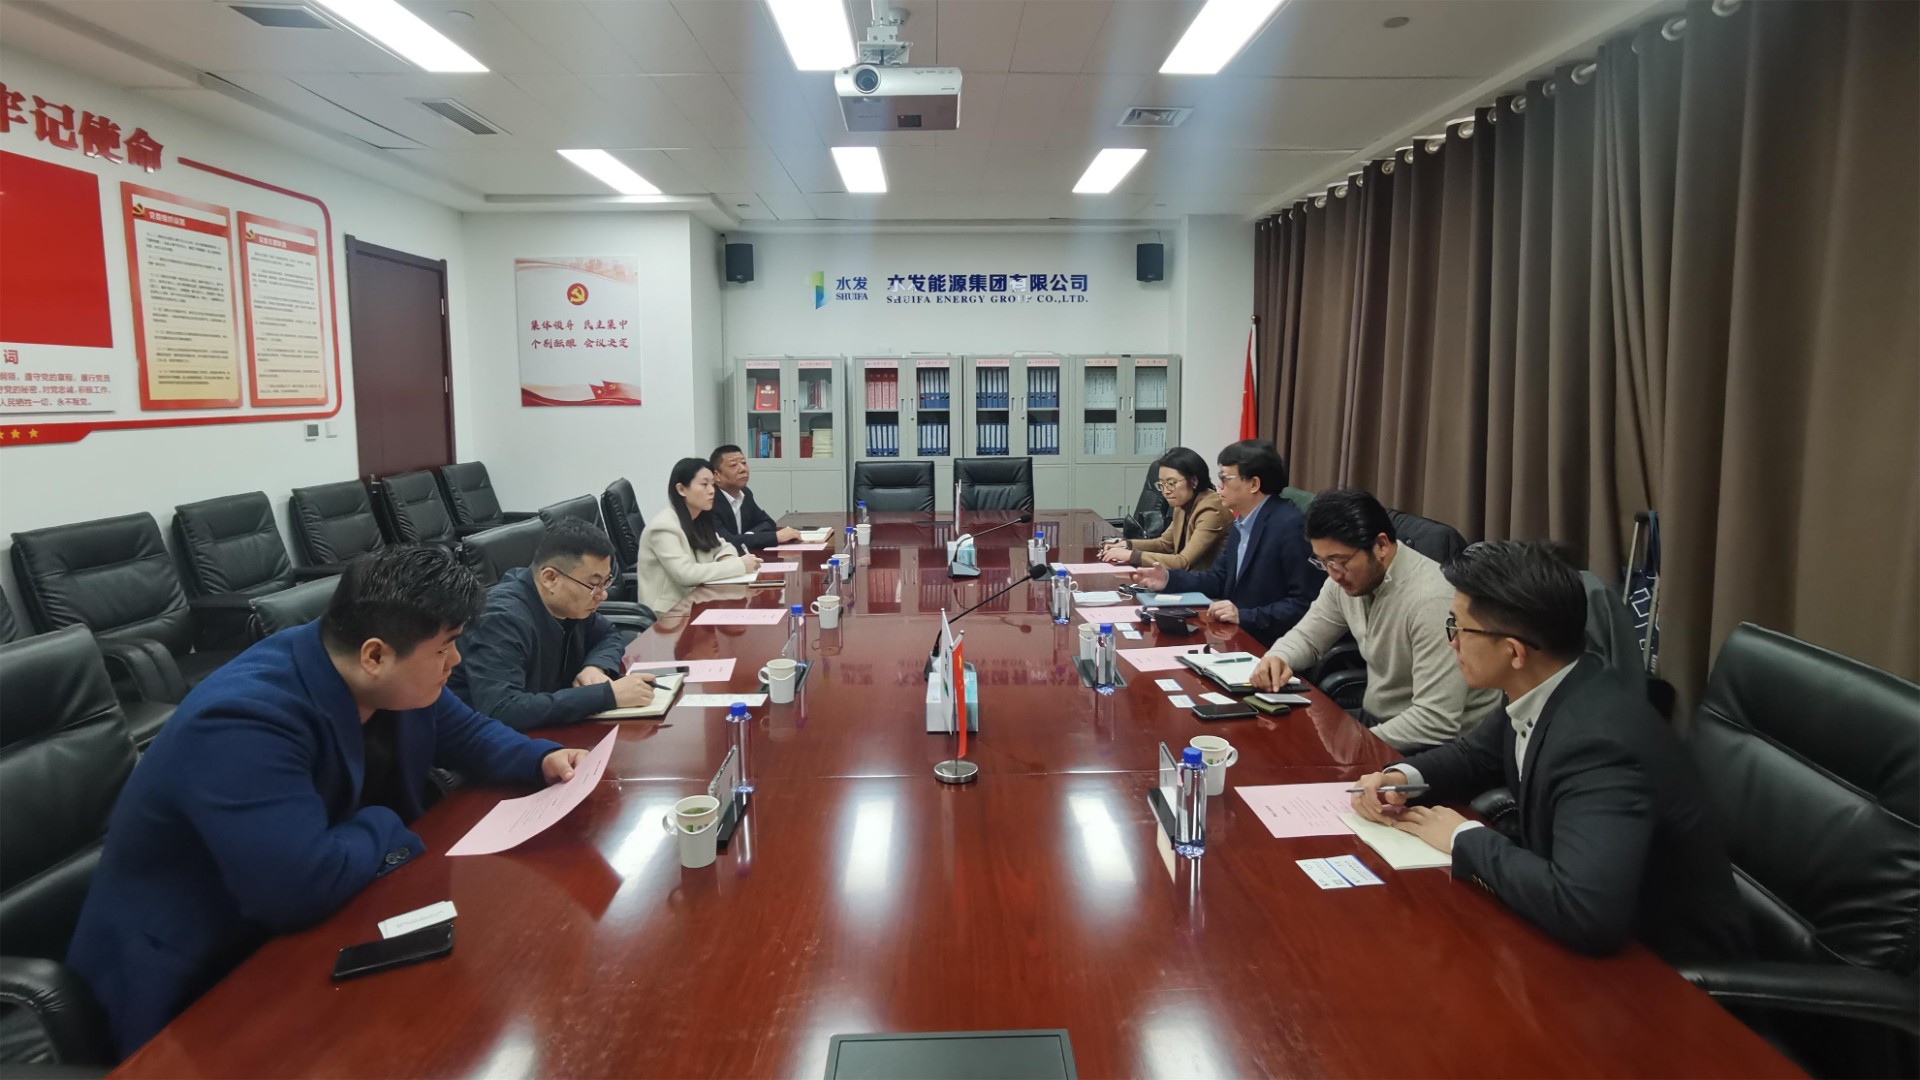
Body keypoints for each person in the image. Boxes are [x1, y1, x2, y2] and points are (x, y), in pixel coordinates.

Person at [66, 546, 590, 1056]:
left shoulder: (384, 672)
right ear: (375, 656)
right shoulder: (244, 721)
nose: (456, 660)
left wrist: (541, 758)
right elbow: (298, 886)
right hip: (199, 981)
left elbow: (467, 733)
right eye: (445, 648)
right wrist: (384, 823)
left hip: (316, 921)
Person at [1349, 541, 1750, 963]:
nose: (1452, 643)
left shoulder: (1598, 746)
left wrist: (1461, 837)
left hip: (1666, 968)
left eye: (1459, 628)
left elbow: (1585, 910)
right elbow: (1474, 756)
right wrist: (1401, 778)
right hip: (1576, 921)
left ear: (1514, 651)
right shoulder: (1554, 680)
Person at [1251, 488, 1500, 750]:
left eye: (1339, 561)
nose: (1333, 574)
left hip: (1439, 744)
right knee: (1276, 738)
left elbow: (1435, 720)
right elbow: (1308, 636)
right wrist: (1279, 657)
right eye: (1323, 562)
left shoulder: (1432, 601)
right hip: (1380, 721)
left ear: (1381, 545)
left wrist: (1358, 745)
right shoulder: (1344, 581)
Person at [448, 517, 658, 729]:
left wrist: (595, 667)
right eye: (594, 584)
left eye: (606, 582)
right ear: (550, 578)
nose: (602, 595)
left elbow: (608, 634)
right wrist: (606, 696)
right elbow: (502, 709)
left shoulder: (569, 604)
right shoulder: (500, 619)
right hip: (483, 740)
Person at [1131, 440, 1320, 646]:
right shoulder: (1243, 522)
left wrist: (1244, 615)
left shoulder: (1290, 526)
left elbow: (1304, 604)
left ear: (1254, 484)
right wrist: (1168, 579)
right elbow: (1218, 578)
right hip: (1234, 635)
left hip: (1270, 644)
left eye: (1225, 478)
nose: (1219, 485)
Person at [634, 457, 762, 611]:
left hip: (697, 601)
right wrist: (738, 565)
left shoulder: (698, 517)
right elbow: (685, 574)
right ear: (681, 489)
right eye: (704, 484)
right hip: (669, 612)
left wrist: (727, 558)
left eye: (712, 484)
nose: (711, 491)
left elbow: (724, 546)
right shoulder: (664, 527)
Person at [1097, 446, 1231, 570]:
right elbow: (1165, 544)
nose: (1166, 491)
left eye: (1172, 483)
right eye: (1162, 484)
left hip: (1208, 585)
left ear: (1194, 481)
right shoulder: (1183, 503)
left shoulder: (1211, 511)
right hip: (1188, 579)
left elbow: (1183, 562)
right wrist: (1126, 545)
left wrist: (1131, 555)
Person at [709, 444, 799, 550]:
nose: (743, 469)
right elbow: (726, 542)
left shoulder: (745, 493)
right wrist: (775, 537)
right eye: (733, 465)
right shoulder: (709, 500)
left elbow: (768, 523)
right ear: (717, 476)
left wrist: (749, 536)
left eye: (744, 463)